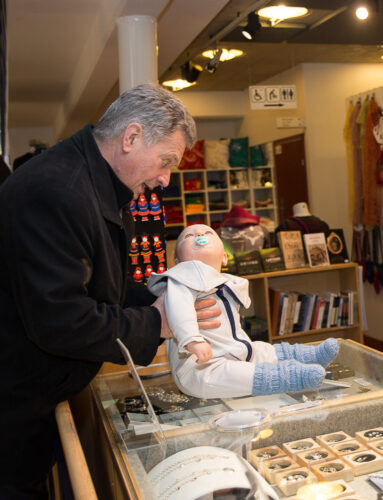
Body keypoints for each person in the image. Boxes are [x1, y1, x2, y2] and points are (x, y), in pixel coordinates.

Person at [0, 83, 218, 498]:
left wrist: (168, 296)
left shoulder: (95, 182)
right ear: (131, 137)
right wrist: (157, 320)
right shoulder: (57, 191)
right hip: (12, 410)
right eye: (165, 161)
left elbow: (105, 287)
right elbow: (62, 320)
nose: (165, 179)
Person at [147, 224, 338, 398]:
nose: (199, 234)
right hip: (201, 365)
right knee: (229, 376)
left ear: (224, 257)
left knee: (261, 349)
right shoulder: (180, 280)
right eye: (189, 235)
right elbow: (178, 309)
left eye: (208, 233)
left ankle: (309, 356)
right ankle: (288, 376)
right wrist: (193, 339)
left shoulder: (225, 281)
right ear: (178, 261)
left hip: (236, 351)